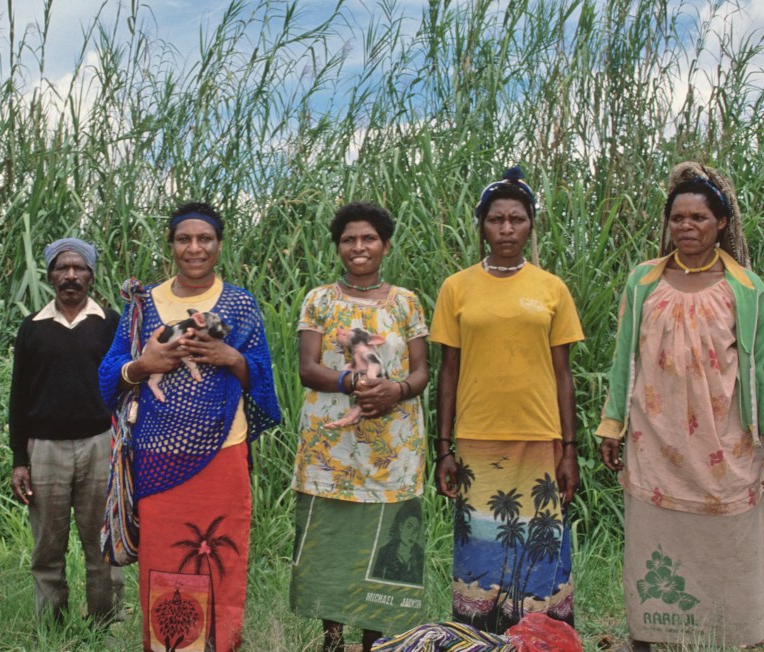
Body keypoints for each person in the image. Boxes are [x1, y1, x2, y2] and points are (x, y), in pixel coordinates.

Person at [98, 202, 281, 652]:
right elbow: (109, 375)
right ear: (172, 245)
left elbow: (263, 377)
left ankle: (221, 645)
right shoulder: (144, 305)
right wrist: (144, 365)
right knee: (166, 562)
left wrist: (231, 359)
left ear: (219, 245)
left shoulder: (239, 304)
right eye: (184, 239)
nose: (194, 248)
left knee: (223, 558)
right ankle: (172, 646)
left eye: (205, 239)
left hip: (224, 455)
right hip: (159, 458)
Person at [597, 162, 764, 651]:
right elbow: (623, 356)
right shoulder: (643, 281)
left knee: (730, 539)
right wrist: (612, 426)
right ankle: (647, 637)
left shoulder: (748, 289)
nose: (687, 227)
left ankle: (735, 634)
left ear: (722, 224)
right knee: (654, 539)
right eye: (678, 218)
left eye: (699, 218)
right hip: (656, 438)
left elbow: (759, 369)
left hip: (725, 441)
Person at [431, 167, 583, 633]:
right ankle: (481, 637)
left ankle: (539, 638)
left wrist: (569, 449)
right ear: (482, 225)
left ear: (530, 224)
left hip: (539, 440)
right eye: (496, 219)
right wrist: (443, 448)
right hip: (477, 439)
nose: (506, 229)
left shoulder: (551, 288)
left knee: (540, 546)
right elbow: (448, 372)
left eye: (516, 219)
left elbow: (563, 374)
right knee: (481, 544)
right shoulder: (457, 288)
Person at [289, 202, 430, 652]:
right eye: (348, 239)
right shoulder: (319, 300)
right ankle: (333, 639)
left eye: (369, 238)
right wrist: (350, 380)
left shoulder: (406, 302)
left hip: (393, 450)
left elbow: (423, 372)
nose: (359, 247)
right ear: (338, 247)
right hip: (330, 449)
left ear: (386, 245)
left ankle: (376, 641)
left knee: (386, 541)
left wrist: (397, 391)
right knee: (332, 546)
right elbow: (308, 369)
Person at [8, 238, 124, 625]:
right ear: (50, 275)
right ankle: (52, 629)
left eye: (79, 268)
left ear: (91, 276)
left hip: (99, 445)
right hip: (44, 451)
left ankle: (104, 627)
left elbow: (127, 386)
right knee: (47, 548)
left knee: (103, 544)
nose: (71, 275)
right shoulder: (33, 328)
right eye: (62, 268)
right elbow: (19, 395)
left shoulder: (110, 323)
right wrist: (19, 460)